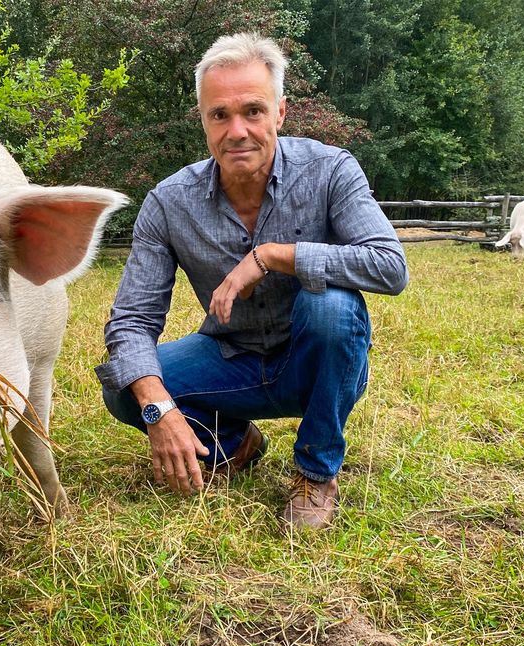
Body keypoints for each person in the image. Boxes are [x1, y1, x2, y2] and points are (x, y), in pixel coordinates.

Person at [94, 32, 408, 530]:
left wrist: (274, 256)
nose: (237, 130)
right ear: (203, 121)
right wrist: (158, 409)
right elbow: (132, 320)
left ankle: (315, 469)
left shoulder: (330, 171)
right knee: (124, 386)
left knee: (331, 308)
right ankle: (234, 443)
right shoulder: (168, 203)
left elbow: (389, 266)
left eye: (253, 111)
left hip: (314, 361)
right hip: (230, 357)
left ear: (280, 113)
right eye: (220, 115)